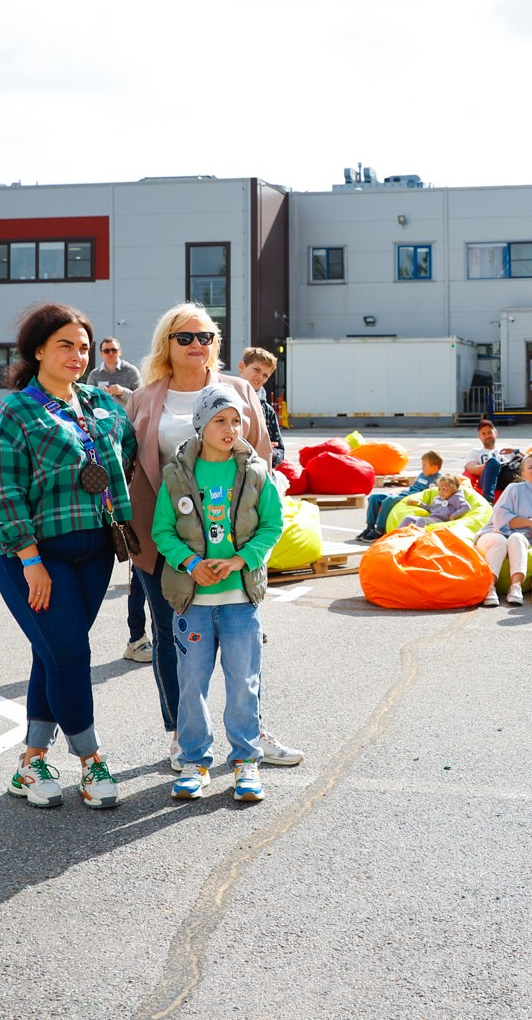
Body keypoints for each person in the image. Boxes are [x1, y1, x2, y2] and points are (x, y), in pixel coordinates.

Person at [123, 302, 303, 768]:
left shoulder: (239, 390)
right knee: (172, 638)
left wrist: (254, 543)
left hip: (232, 543)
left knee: (243, 643)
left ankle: (252, 732)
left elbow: (259, 459)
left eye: (205, 337)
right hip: (165, 541)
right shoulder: (144, 398)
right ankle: (182, 737)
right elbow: (132, 466)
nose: (196, 344)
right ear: (166, 343)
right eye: (185, 337)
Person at [0, 303, 136, 810]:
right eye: (65, 344)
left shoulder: (98, 401)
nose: (77, 355)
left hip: (94, 551)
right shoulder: (15, 411)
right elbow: (3, 492)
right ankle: (92, 761)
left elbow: (127, 446)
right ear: (38, 350)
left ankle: (30, 763)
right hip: (30, 556)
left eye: (84, 347)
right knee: (71, 655)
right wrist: (31, 561)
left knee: (52, 653)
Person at [151, 383, 286, 803]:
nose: (230, 429)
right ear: (200, 424)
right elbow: (162, 532)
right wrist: (191, 564)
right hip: (192, 603)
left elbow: (272, 526)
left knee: (244, 683)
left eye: (236, 421)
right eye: (220, 421)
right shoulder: (177, 475)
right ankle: (194, 761)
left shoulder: (255, 472)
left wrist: (241, 560)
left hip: (240, 602)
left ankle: (246, 761)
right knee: (191, 685)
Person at [475, 452, 532, 607]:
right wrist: (530, 522)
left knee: (517, 538)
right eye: (530, 467)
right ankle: (489, 586)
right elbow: (499, 519)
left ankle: (516, 586)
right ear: (523, 474)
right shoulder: (514, 488)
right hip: (493, 533)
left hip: (522, 540)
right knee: (500, 541)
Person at [356, 450, 441, 542]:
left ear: (434, 468)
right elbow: (413, 487)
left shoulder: (438, 480)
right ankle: (370, 527)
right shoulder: (422, 475)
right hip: (405, 494)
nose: (422, 467)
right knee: (374, 497)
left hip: (411, 498)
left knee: (390, 500)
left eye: (424, 465)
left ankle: (379, 530)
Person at [234, 347, 285, 467]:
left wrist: (270, 452)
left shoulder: (267, 410)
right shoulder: (225, 400)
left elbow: (280, 450)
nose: (260, 377)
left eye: (265, 375)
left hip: (257, 471)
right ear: (242, 367)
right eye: (256, 370)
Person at [462, 418, 518, 502]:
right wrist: (488, 465)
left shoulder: (506, 449)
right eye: (483, 433)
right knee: (494, 461)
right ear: (479, 436)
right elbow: (472, 469)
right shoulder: (475, 452)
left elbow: (529, 461)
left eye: (489, 432)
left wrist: (517, 451)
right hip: (487, 480)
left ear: (496, 433)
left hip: (506, 477)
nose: (487, 436)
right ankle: (488, 499)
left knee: (519, 463)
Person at [395, 473, 467, 529]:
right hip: (431, 518)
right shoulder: (438, 498)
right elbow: (431, 509)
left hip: (442, 521)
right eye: (439, 489)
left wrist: (454, 515)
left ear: (453, 489)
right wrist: (419, 503)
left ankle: (414, 537)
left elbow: (466, 506)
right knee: (408, 518)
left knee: (421, 521)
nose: (441, 492)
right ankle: (396, 536)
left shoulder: (455, 498)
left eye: (444, 489)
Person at [88, 336, 143, 404]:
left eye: (114, 350)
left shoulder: (131, 371)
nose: (110, 353)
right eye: (106, 351)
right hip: (102, 411)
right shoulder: (94, 375)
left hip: (126, 411)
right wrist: (98, 394)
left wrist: (123, 392)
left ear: (120, 352)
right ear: (101, 353)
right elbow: (88, 400)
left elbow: (141, 399)